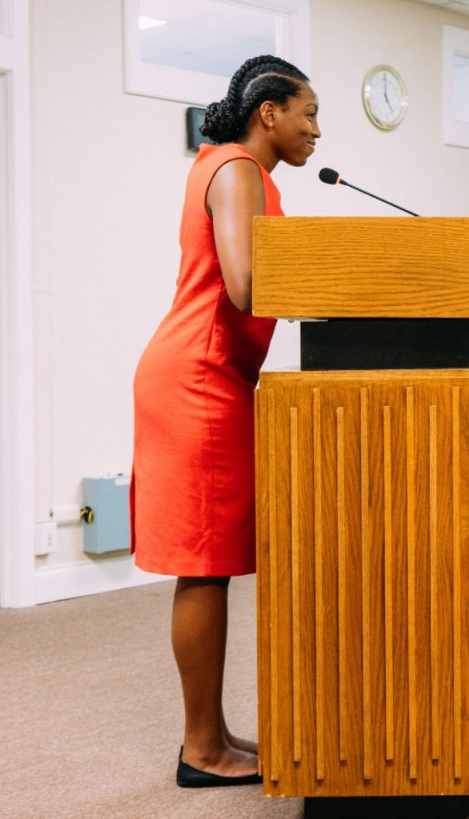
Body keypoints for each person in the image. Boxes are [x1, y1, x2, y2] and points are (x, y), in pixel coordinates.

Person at [130, 55, 320, 788]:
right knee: (204, 563)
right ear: (268, 111)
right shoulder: (239, 167)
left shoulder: (233, 165)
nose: (316, 130)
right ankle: (201, 750)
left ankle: (210, 733)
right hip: (198, 377)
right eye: (308, 113)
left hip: (207, 374)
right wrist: (334, 278)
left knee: (210, 563)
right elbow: (244, 285)